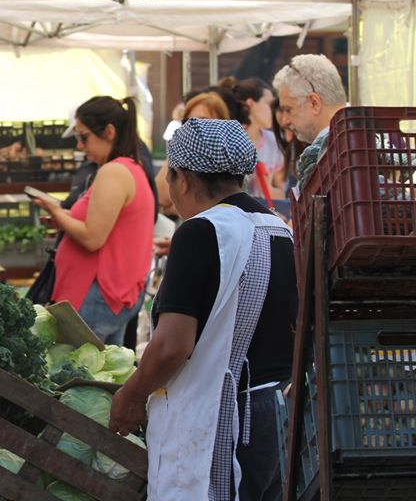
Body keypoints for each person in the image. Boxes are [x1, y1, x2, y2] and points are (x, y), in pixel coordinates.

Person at [109, 118, 297, 501]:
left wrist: (131, 394)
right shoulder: (279, 230)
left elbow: (172, 346)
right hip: (275, 414)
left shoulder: (201, 231)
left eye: (168, 174)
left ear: (184, 178)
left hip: (225, 420)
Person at [32, 97, 154, 344]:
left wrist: (56, 212)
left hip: (98, 293)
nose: (79, 145)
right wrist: (64, 218)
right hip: (108, 293)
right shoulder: (128, 168)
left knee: (78, 374)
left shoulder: (115, 172)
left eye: (84, 137)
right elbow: (104, 226)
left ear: (109, 131)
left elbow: (92, 237)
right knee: (104, 374)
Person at [272, 54, 347, 187]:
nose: (285, 121)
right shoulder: (373, 135)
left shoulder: (323, 154)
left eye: (288, 109)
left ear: (314, 103)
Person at [156, 92, 231, 217]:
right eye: (188, 121)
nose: (194, 127)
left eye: (203, 120)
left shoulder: (231, 163)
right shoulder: (179, 156)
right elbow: (159, 198)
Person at [222, 77, 286, 201]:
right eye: (269, 104)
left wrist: (267, 187)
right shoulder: (228, 140)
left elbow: (282, 193)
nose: (274, 111)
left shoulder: (275, 142)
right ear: (250, 103)